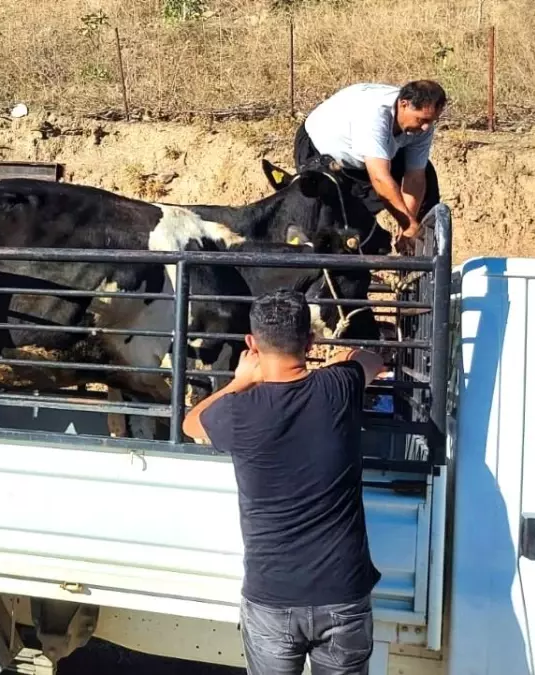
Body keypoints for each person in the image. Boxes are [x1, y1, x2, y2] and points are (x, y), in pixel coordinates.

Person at [182, 289, 386, 675]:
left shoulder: (238, 411)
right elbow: (372, 360)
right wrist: (344, 357)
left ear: (251, 344)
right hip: (343, 594)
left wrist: (239, 381)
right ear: (310, 342)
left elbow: (191, 424)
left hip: (271, 599)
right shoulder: (339, 387)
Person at [295, 80, 447, 253]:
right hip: (321, 151)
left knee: (427, 176)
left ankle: (414, 258)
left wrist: (408, 224)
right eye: (422, 119)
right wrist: (408, 224)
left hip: (367, 159)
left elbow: (415, 177)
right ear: (404, 104)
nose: (426, 127)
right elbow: (380, 178)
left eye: (432, 120)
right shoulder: (374, 114)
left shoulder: (423, 126)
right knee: (330, 220)